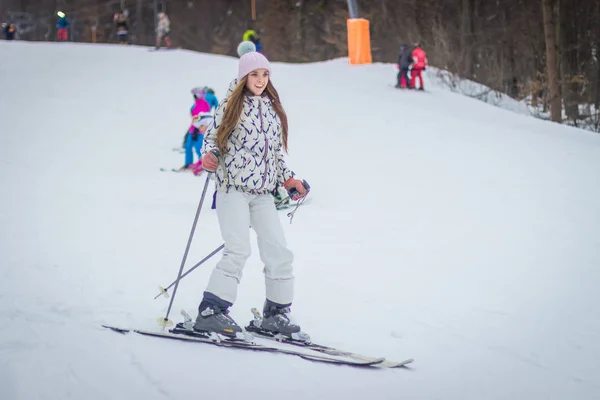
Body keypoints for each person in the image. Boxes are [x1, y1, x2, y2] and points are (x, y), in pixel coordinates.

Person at [193, 51, 308, 338]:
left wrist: (289, 179)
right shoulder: (231, 104)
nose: (260, 80)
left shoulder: (271, 107)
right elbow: (212, 137)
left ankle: (276, 313)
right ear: (244, 76)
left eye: (265, 74)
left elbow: (275, 155)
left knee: (279, 251)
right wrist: (210, 154)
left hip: (263, 194)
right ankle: (211, 312)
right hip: (233, 189)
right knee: (238, 249)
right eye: (254, 74)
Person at [181, 88, 211, 169]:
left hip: (200, 130)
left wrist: (201, 125)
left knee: (199, 148)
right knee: (188, 146)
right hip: (193, 129)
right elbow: (194, 117)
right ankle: (188, 164)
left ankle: (203, 164)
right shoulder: (195, 104)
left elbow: (204, 117)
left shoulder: (204, 104)